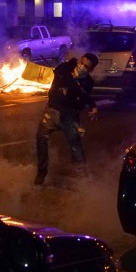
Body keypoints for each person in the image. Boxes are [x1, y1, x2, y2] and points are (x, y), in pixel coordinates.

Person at [34, 52, 99, 185]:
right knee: (41, 137)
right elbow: (59, 72)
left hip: (70, 116)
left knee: (76, 147)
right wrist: (72, 76)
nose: (82, 67)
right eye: (82, 63)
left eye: (87, 67)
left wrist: (92, 104)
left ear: (91, 69)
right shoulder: (64, 69)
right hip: (52, 111)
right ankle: (41, 171)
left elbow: (81, 100)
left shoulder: (88, 82)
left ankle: (83, 178)